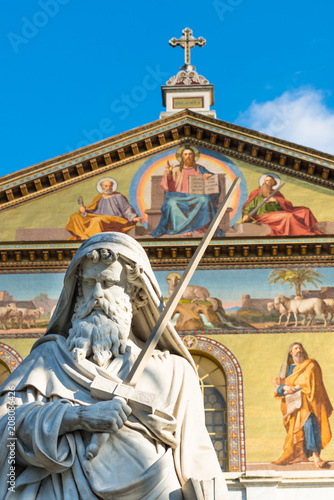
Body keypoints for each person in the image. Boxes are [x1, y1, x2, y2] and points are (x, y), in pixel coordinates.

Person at [0, 232, 227, 499]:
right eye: (89, 283)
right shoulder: (48, 360)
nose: (97, 294)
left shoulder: (175, 373)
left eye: (108, 282)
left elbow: (198, 457)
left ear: (136, 294)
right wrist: (76, 418)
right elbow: (7, 427)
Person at [271, 342, 332, 467]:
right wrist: (284, 388)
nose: (299, 350)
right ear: (291, 353)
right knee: (296, 431)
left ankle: (316, 457)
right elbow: (278, 389)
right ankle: (301, 455)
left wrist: (290, 385)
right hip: (293, 406)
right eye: (295, 348)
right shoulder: (288, 369)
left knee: (310, 424)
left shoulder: (310, 365)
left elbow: (312, 382)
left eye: (300, 348)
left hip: (309, 403)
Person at [151, 146, 224, 237]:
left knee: (204, 200)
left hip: (195, 196)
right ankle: (181, 229)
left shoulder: (200, 169)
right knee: (171, 203)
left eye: (190, 154)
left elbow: (213, 178)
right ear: (182, 156)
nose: (188, 156)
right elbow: (168, 188)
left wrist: (208, 175)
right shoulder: (175, 169)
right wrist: (169, 173)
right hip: (178, 196)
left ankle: (198, 229)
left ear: (194, 156)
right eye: (185, 154)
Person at [242, 174, 323, 236]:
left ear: (273, 183)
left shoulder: (277, 194)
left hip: (278, 214)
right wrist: (246, 215)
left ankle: (313, 230)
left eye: (268, 181)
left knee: (305, 211)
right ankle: (304, 233)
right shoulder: (257, 193)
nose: (265, 182)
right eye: (265, 180)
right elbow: (249, 206)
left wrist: (276, 200)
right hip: (264, 216)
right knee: (288, 216)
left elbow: (287, 206)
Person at [66, 178, 144, 240]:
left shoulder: (118, 196)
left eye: (110, 186)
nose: (108, 188)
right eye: (106, 186)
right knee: (75, 216)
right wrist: (84, 210)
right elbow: (93, 210)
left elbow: (126, 209)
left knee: (96, 220)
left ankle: (89, 239)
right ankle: (82, 236)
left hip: (115, 220)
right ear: (102, 187)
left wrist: (134, 218)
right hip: (100, 217)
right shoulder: (99, 197)